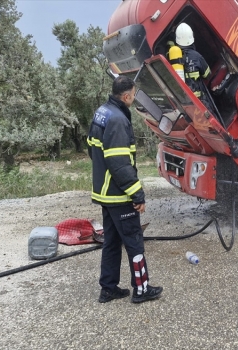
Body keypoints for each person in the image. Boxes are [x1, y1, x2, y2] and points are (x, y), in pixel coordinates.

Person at [88, 76, 163, 303]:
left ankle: (108, 288)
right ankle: (141, 289)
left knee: (111, 242)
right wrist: (137, 194)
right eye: (134, 94)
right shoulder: (118, 120)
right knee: (134, 241)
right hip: (119, 195)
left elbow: (93, 151)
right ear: (127, 96)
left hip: (105, 194)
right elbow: (120, 164)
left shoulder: (102, 112)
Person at [174, 23, 216, 114]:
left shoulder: (174, 58)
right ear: (192, 37)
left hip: (187, 105)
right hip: (201, 101)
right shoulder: (196, 56)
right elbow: (208, 75)